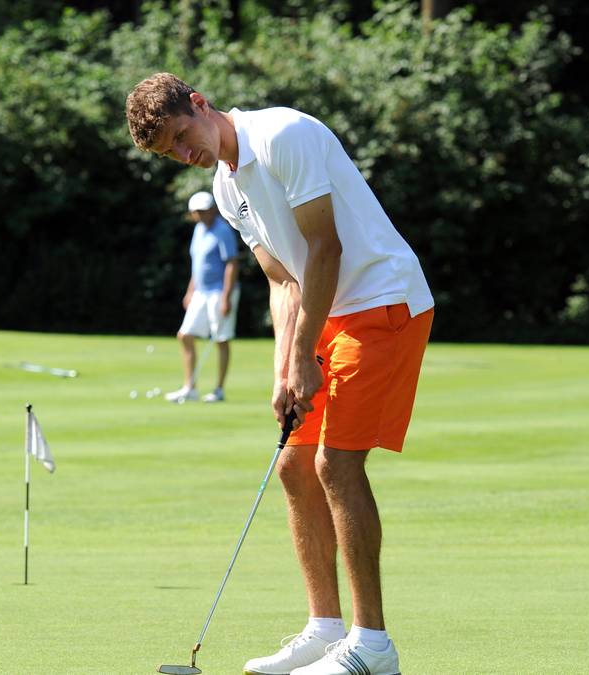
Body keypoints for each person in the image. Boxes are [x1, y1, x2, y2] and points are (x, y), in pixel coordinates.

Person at [126, 73, 434, 675]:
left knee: (336, 463)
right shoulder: (224, 188)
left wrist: (301, 354)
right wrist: (282, 371)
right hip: (328, 310)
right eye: (170, 153)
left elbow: (325, 249)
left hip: (383, 300)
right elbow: (283, 280)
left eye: (182, 136)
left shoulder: (282, 135)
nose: (185, 154)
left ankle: (373, 645)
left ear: (199, 103)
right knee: (295, 464)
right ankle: (325, 630)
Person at [164, 190, 241, 404]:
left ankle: (219, 390)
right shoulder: (198, 230)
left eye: (205, 210)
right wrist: (191, 290)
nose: (202, 215)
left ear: (213, 210)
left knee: (221, 339)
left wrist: (226, 296)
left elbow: (232, 263)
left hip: (220, 291)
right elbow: (198, 265)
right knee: (185, 335)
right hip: (201, 291)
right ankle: (190, 388)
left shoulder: (223, 230)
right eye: (198, 212)